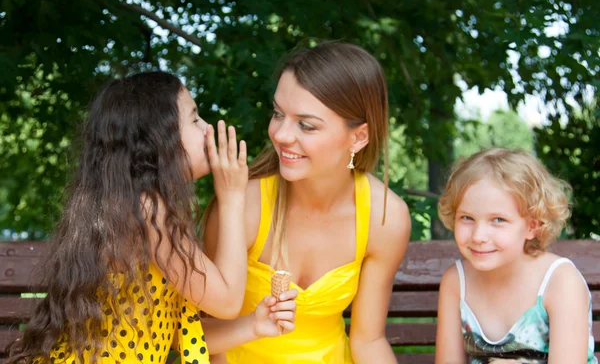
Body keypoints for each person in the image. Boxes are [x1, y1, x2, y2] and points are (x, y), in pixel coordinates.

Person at [7, 72, 297, 364]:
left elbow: (175, 333)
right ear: (161, 138)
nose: (208, 129)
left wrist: (255, 326)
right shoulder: (150, 212)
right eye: (195, 119)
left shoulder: (138, 210)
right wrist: (232, 197)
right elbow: (227, 301)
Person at [204, 41, 412, 363]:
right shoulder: (241, 204)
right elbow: (203, 336)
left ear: (358, 137)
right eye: (278, 114)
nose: (282, 135)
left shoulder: (385, 217)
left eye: (306, 125)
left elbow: (369, 341)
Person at [435, 148, 597, 363]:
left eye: (498, 220)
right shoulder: (456, 282)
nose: (479, 236)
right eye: (467, 217)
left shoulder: (560, 282)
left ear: (532, 226)